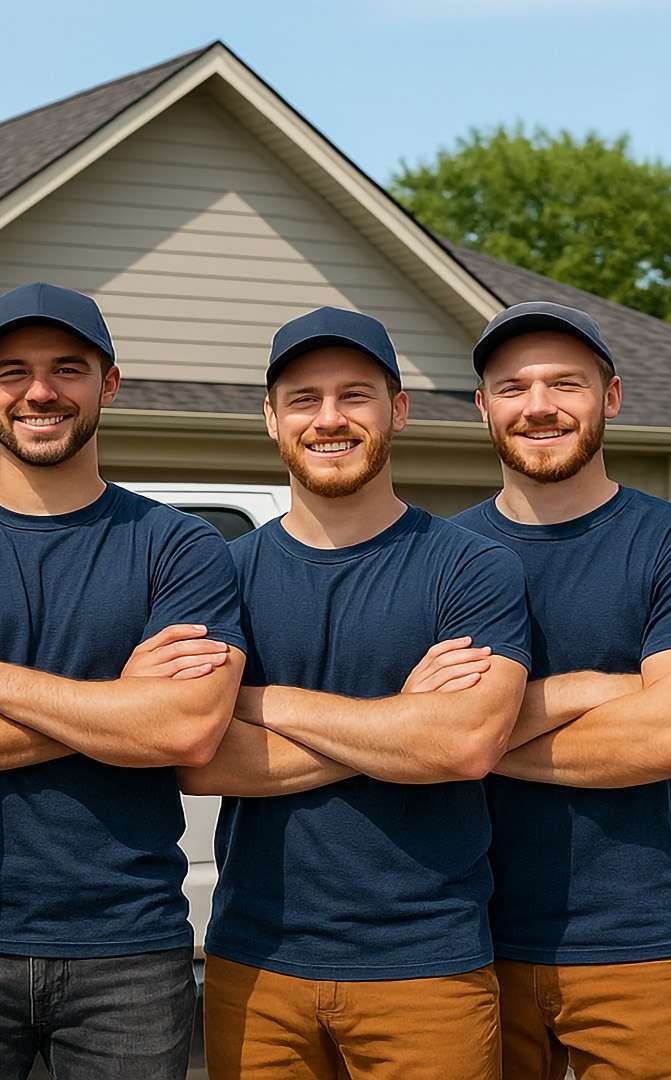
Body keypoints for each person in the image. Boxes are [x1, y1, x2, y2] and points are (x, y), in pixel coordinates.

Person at [0, 282, 246, 1079]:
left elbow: (183, 731)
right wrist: (119, 706)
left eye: (67, 368)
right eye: (12, 371)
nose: (39, 391)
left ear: (108, 384)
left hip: (130, 946)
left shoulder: (179, 548)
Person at [180, 307, 531, 1079]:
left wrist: (263, 703)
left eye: (355, 396)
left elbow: (464, 744)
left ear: (397, 410)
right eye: (303, 398)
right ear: (271, 418)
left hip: (427, 963)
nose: (329, 419)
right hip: (256, 962)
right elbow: (197, 758)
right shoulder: (220, 575)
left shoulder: (472, 569)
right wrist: (399, 725)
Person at [452, 301, 671, 1079]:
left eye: (567, 384)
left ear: (610, 397)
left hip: (639, 943)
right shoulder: (437, 559)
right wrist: (596, 688)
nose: (539, 405)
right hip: (465, 944)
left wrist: (468, 741)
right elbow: (418, 733)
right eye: (512, 387)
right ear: (484, 408)